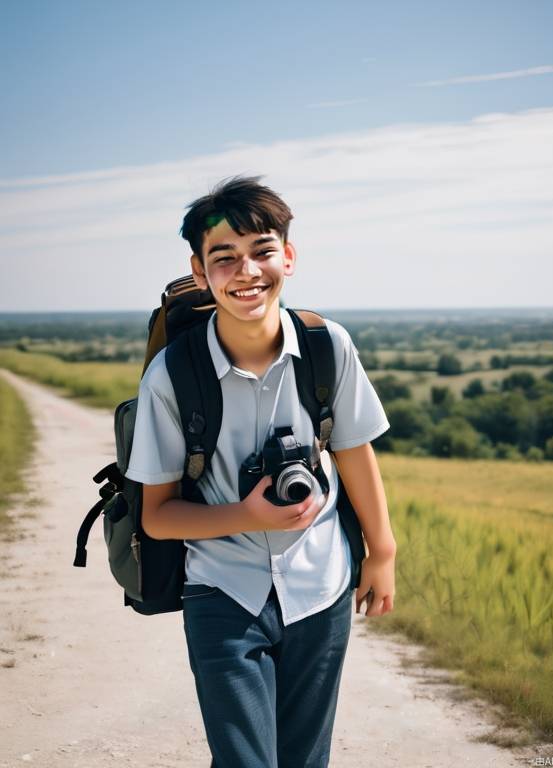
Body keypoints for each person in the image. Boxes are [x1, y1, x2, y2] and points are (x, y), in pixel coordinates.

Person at [125, 176, 396, 767]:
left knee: (305, 760)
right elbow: (158, 516)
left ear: (288, 258)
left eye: (262, 251)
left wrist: (382, 551)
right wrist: (245, 514)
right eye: (225, 257)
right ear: (200, 272)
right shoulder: (173, 376)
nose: (246, 271)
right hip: (222, 590)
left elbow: (353, 451)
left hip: (321, 585)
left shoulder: (328, 348)